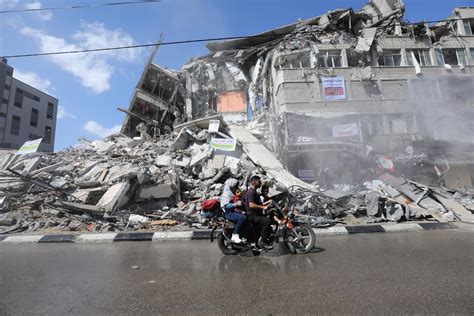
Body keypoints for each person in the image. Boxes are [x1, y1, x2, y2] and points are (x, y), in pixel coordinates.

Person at [245, 175, 273, 249]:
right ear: (254, 182)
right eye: (259, 181)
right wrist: (263, 207)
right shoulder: (251, 192)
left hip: (256, 214)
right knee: (267, 221)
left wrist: (268, 204)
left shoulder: (254, 192)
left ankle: (259, 240)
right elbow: (251, 205)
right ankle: (263, 242)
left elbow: (258, 203)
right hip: (252, 216)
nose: (260, 183)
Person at [220, 178, 247, 243]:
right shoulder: (227, 194)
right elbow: (226, 206)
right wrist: (236, 204)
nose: (236, 187)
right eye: (235, 186)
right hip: (228, 212)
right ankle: (235, 235)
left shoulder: (231, 192)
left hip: (232, 211)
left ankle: (244, 235)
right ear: (231, 186)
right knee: (242, 217)